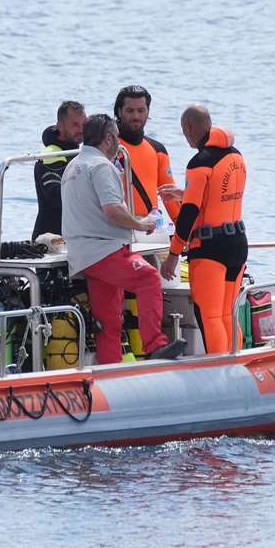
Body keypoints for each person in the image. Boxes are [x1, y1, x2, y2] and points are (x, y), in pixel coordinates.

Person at [61, 113, 186, 364]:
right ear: (108, 139)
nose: (119, 142)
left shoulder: (72, 166)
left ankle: (111, 368)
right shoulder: (101, 167)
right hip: (104, 250)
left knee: (108, 320)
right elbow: (113, 210)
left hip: (83, 254)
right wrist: (140, 223)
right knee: (149, 277)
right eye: (117, 137)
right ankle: (154, 345)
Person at [160, 105, 248, 354]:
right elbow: (221, 198)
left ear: (188, 128)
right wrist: (185, 193)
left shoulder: (199, 162)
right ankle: (236, 363)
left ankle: (218, 369)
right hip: (237, 242)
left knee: (209, 316)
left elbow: (188, 214)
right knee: (227, 313)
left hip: (210, 249)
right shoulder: (236, 156)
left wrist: (173, 255)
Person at [114, 85, 183, 224]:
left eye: (141, 110)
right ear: (119, 112)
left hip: (149, 231)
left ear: (148, 111)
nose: (136, 116)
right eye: (129, 111)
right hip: (115, 231)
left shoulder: (158, 150)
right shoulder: (107, 148)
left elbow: (170, 197)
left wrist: (185, 231)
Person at [32, 100, 86, 238]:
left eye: (83, 124)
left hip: (71, 234)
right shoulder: (51, 154)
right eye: (75, 124)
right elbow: (55, 198)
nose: (81, 129)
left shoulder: (77, 153)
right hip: (50, 238)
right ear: (60, 126)